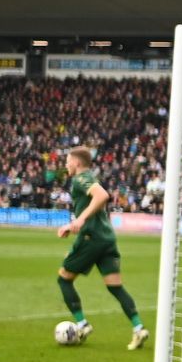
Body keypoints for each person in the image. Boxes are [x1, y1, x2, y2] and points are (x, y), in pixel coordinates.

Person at [56, 147, 148, 350]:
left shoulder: (81, 179)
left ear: (77, 163)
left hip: (91, 238)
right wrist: (75, 225)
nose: (66, 165)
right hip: (106, 238)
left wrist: (78, 221)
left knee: (63, 279)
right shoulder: (89, 177)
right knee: (115, 286)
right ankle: (138, 328)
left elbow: (102, 195)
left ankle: (82, 325)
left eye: (68, 161)